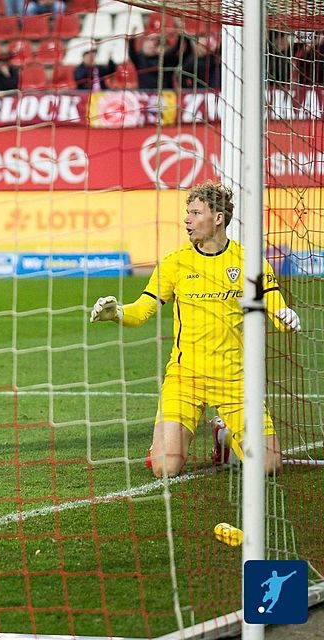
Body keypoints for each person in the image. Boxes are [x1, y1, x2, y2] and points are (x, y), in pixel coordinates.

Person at [89, 181, 302, 478]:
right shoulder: (175, 262)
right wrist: (118, 313)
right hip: (185, 378)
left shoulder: (249, 261)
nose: (187, 219)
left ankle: (223, 434)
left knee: (269, 465)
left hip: (234, 380)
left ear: (218, 218)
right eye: (187, 213)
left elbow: (277, 309)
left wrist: (287, 317)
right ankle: (165, 443)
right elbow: (143, 310)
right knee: (165, 468)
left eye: (195, 213)